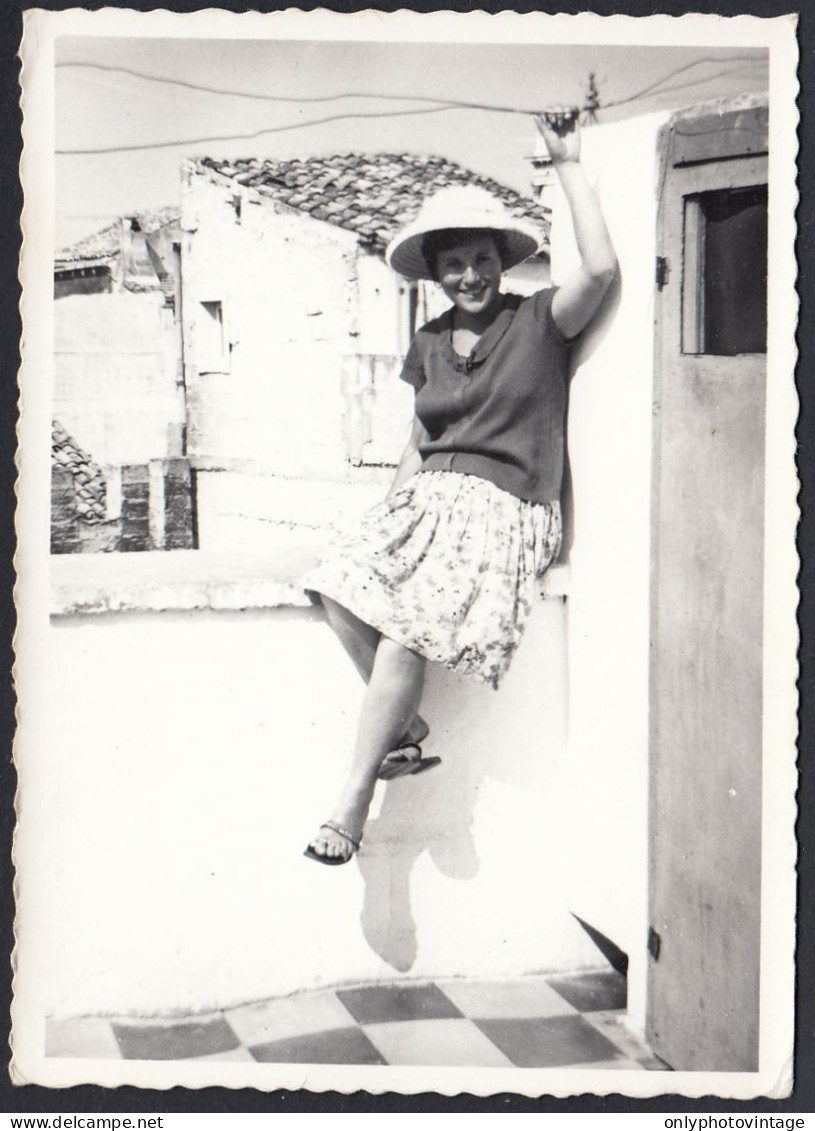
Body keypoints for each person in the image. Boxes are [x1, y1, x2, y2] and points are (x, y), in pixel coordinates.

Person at [302, 108, 617, 865]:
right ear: (435, 272)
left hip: (503, 508)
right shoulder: (430, 340)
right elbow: (421, 438)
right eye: (453, 265)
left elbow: (601, 271)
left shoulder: (541, 320)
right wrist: (389, 518)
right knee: (332, 580)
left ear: (498, 262)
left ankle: (351, 799)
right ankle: (403, 731)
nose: (467, 276)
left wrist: (567, 163)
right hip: (430, 502)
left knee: (408, 625)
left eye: (478, 260)